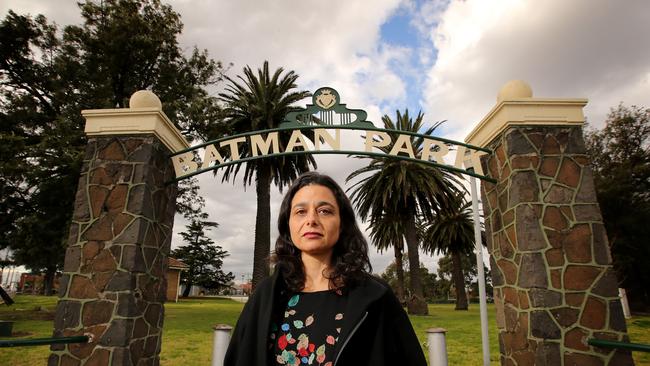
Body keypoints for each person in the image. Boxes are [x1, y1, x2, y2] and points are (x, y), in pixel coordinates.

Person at [224, 171, 426, 366]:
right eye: (300, 212)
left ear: (342, 223)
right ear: (288, 225)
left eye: (324, 211)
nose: (311, 220)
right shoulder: (265, 296)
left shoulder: (375, 297)